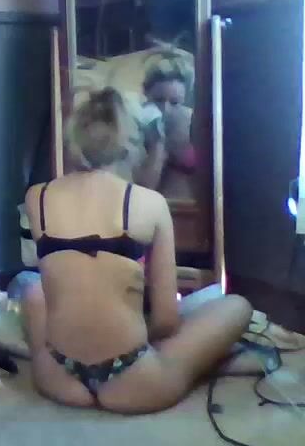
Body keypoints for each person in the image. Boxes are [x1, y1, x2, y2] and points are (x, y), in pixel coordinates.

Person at [23, 88, 251, 413]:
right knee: (236, 306)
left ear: (75, 140)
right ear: (130, 143)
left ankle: (53, 359)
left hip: (58, 376)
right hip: (133, 380)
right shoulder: (150, 203)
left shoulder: (37, 197)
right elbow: (166, 321)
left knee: (33, 292)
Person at [134, 58, 196, 198]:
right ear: (145, 93)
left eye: (175, 102)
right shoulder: (134, 129)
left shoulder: (195, 130)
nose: (165, 109)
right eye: (158, 100)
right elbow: (144, 189)